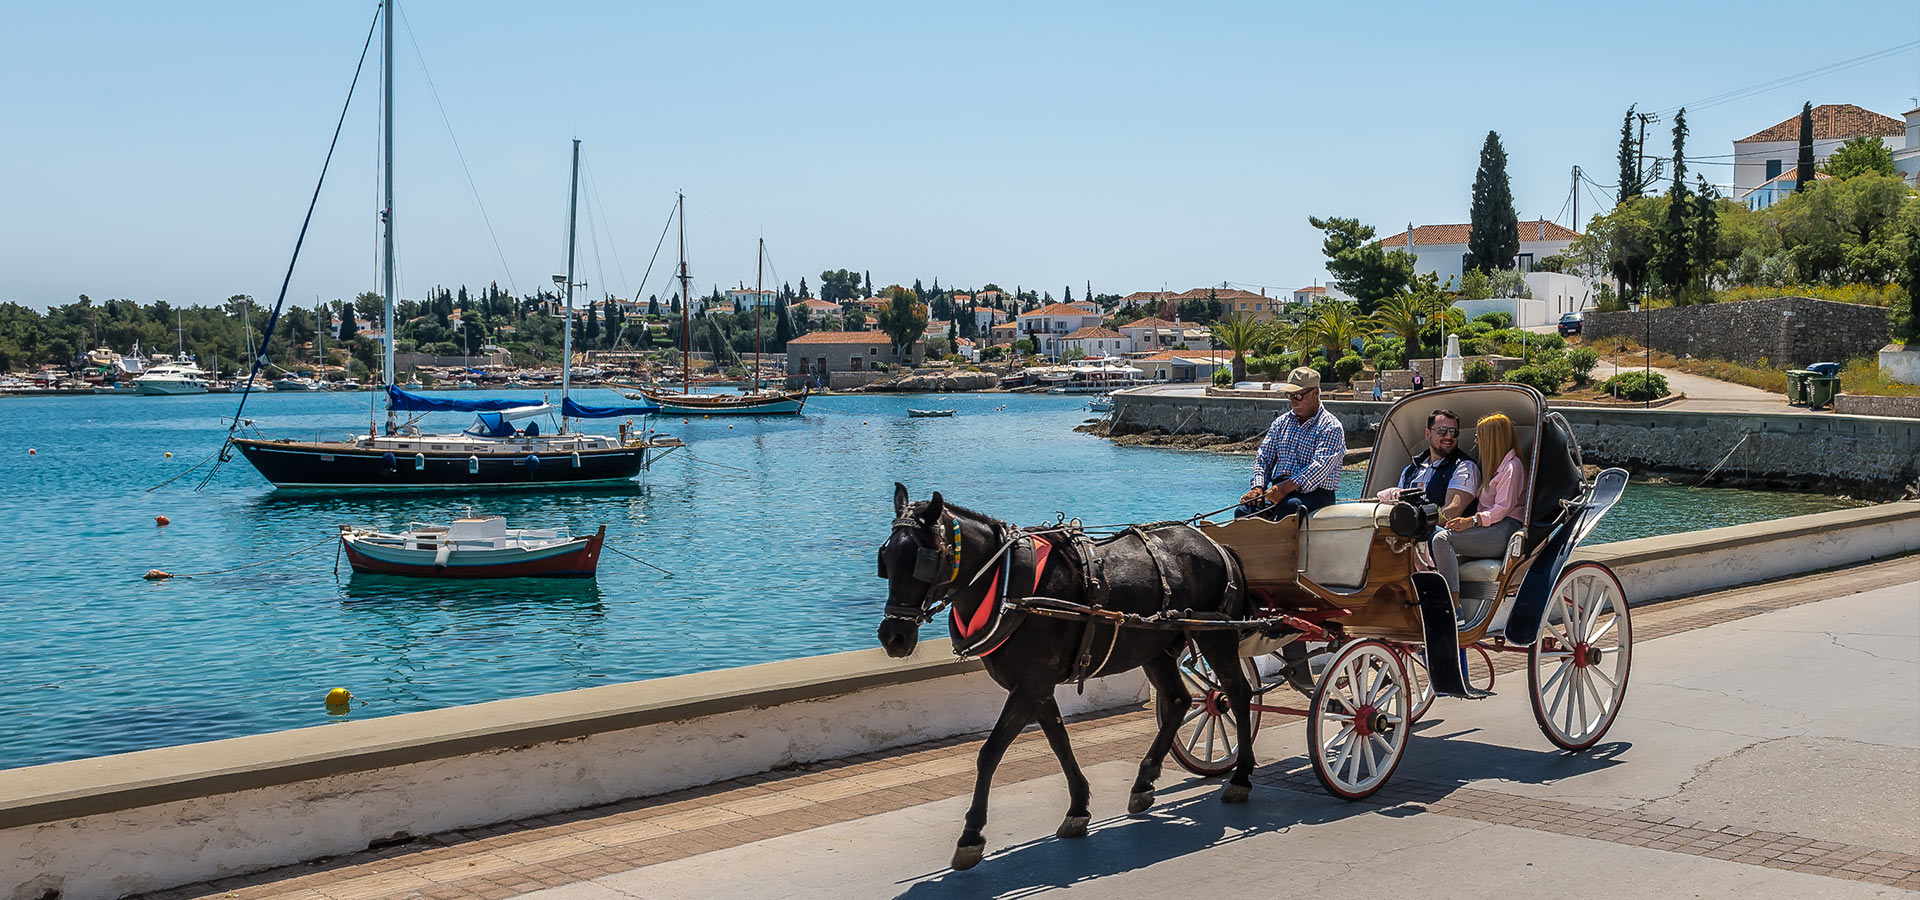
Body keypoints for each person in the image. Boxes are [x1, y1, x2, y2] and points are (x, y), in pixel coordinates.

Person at [1429, 412, 1527, 595]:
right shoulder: (1497, 468)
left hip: (1503, 530)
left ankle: (1453, 604)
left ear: (1491, 439)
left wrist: (1472, 521)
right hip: (1489, 529)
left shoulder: (1513, 467)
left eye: (1478, 437)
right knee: (1432, 532)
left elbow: (1502, 509)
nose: (1475, 442)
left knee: (1442, 539)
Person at [1236, 367, 1345, 520]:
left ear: (1315, 393)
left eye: (1298, 396)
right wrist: (1258, 487)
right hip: (1279, 489)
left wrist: (1286, 488)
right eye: (1290, 396)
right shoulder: (1281, 423)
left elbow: (1320, 467)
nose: (1293, 402)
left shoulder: (1331, 427)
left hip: (1315, 492)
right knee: (1244, 511)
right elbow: (1264, 457)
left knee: (1290, 508)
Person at [1374, 409, 1478, 521]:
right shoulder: (1410, 470)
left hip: (1441, 534)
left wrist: (1418, 526)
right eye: (1442, 431)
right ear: (1428, 434)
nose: (1449, 436)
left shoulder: (1465, 467)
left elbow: (1452, 511)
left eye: (1453, 432)